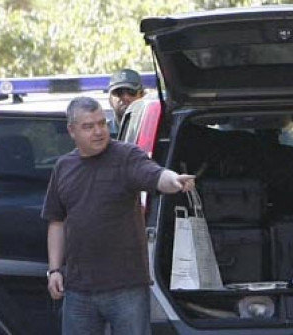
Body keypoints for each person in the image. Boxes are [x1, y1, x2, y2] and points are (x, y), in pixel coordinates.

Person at [42, 97, 195, 335]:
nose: (98, 132)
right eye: (88, 126)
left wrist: (173, 180)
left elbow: (154, 174)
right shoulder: (64, 167)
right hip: (78, 288)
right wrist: (54, 270)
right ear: (72, 130)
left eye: (102, 123)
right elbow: (56, 221)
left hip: (126, 287)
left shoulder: (126, 156)